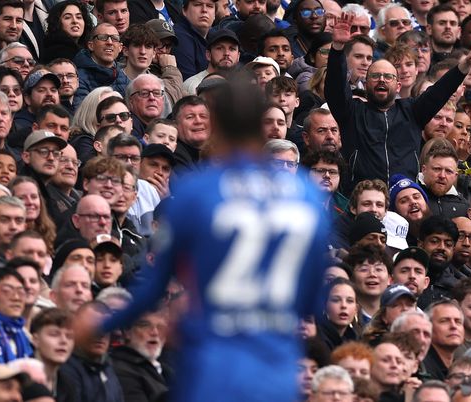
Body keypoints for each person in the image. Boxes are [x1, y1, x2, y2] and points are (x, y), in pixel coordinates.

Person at [83, 78, 329, 402]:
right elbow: (316, 300)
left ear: (216, 125)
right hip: (277, 375)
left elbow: (153, 288)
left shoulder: (196, 190)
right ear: (261, 124)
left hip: (213, 371)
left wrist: (97, 326)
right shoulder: (308, 195)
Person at [326, 12, 471, 185]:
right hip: (363, 196)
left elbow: (439, 92)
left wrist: (463, 67)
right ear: (365, 84)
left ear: (398, 85)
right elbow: (335, 88)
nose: (381, 80)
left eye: (388, 77)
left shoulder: (412, 111)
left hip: (405, 195)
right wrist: (337, 49)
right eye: (376, 76)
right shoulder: (352, 112)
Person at [73, 23, 129, 108]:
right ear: (91, 45)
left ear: (120, 48)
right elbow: (81, 115)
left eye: (115, 39)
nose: (110, 42)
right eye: (103, 38)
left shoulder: (123, 77)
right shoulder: (78, 78)